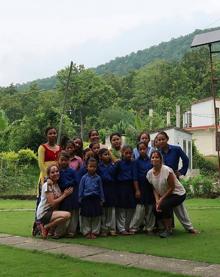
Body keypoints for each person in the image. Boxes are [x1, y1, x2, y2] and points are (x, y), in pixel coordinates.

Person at [156, 131, 197, 234]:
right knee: (166, 204)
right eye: (159, 140)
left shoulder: (176, 149)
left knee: (179, 205)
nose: (161, 141)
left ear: (167, 139)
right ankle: (170, 227)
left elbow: (186, 160)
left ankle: (189, 227)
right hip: (162, 181)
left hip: (174, 180)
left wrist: (181, 172)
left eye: (162, 139)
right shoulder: (157, 152)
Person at [147, 150, 194, 238]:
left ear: (161, 159)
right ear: (150, 160)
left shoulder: (167, 170)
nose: (154, 159)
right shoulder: (149, 173)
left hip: (178, 193)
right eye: (152, 157)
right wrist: (157, 200)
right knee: (155, 208)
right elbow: (154, 188)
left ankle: (168, 230)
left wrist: (161, 200)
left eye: (157, 157)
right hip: (166, 195)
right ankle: (164, 227)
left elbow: (172, 188)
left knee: (164, 205)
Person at [32, 127, 61, 236]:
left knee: (54, 203)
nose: (53, 135)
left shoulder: (59, 148)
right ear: (46, 135)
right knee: (42, 201)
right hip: (46, 179)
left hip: (56, 177)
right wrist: (47, 178)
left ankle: (50, 228)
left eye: (54, 133)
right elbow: (41, 165)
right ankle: (37, 225)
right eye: (50, 133)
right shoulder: (42, 147)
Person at [36, 164, 73, 239]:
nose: (55, 173)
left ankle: (47, 229)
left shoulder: (56, 184)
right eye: (52, 172)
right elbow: (52, 202)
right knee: (67, 215)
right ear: (49, 175)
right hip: (44, 212)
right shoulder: (47, 185)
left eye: (57, 171)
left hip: (51, 211)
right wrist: (64, 195)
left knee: (65, 215)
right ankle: (45, 226)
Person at [130, 142, 155, 234]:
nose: (142, 150)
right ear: (138, 150)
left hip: (150, 187)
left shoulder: (151, 161)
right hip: (140, 187)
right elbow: (135, 177)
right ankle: (134, 228)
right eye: (140, 149)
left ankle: (149, 228)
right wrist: (137, 190)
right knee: (140, 209)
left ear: (147, 149)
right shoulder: (135, 162)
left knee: (150, 208)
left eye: (144, 148)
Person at [79, 157, 105, 239]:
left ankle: (94, 232)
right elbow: (81, 188)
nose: (92, 168)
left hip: (96, 199)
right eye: (90, 166)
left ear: (96, 168)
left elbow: (101, 189)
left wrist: (102, 199)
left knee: (96, 216)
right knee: (86, 217)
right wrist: (80, 198)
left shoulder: (98, 178)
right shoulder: (84, 178)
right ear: (87, 167)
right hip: (86, 199)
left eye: (94, 167)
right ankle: (87, 232)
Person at [56, 151, 79, 238]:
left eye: (65, 160)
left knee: (73, 214)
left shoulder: (72, 171)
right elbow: (59, 183)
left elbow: (76, 181)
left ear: (69, 161)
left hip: (73, 195)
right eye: (62, 160)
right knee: (63, 213)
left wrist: (68, 184)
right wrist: (67, 184)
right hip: (63, 196)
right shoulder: (58, 172)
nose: (63, 162)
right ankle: (59, 232)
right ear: (58, 160)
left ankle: (71, 232)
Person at [115, 145, 136, 235]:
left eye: (130, 153)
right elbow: (115, 175)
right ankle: (121, 228)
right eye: (126, 153)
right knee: (122, 208)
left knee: (131, 208)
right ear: (122, 153)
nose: (128, 155)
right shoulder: (119, 163)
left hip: (131, 186)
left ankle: (128, 227)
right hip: (121, 187)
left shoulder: (133, 163)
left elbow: (135, 176)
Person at [98, 148, 117, 236]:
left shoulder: (113, 165)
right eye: (105, 154)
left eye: (108, 154)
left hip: (112, 189)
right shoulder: (98, 166)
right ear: (100, 157)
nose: (107, 156)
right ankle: (104, 229)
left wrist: (111, 155)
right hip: (102, 189)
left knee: (111, 210)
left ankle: (112, 229)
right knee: (103, 210)